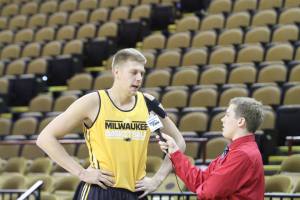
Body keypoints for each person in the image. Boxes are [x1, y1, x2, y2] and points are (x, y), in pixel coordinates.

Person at [36, 48, 186, 199]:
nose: (139, 78)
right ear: (117, 72)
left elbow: (179, 142)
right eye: (134, 72)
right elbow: (45, 138)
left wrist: (157, 179)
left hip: (137, 192)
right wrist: (81, 173)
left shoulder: (148, 103)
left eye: (142, 73)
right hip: (100, 190)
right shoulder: (93, 102)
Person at [159, 97, 265, 200]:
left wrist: (204, 187)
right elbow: (200, 180)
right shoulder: (236, 150)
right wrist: (175, 153)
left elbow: (208, 192)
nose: (222, 119)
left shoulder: (243, 154)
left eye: (227, 115)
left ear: (240, 121)